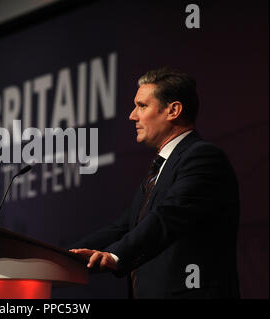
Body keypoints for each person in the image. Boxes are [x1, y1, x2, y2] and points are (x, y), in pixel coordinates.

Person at [70, 67, 240, 299]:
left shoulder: (203, 157)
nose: (132, 115)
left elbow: (166, 217)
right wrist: (63, 258)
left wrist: (115, 256)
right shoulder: (160, 167)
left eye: (142, 106)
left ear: (173, 110)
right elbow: (123, 228)